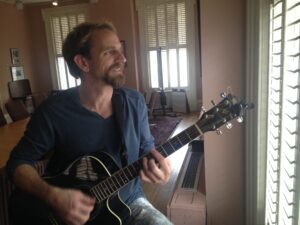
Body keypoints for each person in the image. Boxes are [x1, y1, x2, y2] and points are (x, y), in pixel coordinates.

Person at [6, 21, 173, 225]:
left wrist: (159, 168)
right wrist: (53, 196)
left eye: (119, 50)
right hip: (71, 216)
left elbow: (147, 150)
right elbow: (17, 164)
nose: (123, 58)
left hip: (129, 202)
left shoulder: (134, 103)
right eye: (110, 52)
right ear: (83, 63)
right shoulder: (53, 111)